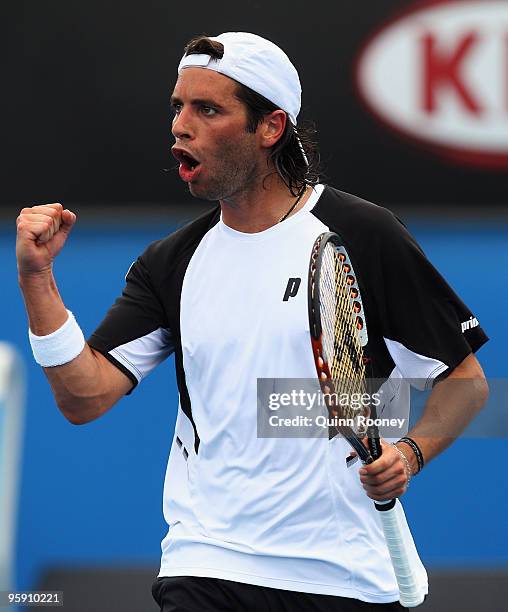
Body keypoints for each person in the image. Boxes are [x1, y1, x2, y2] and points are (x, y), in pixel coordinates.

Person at [16, 32, 488, 612]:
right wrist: (38, 280)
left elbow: (465, 381)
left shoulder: (363, 235)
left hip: (343, 578)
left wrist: (409, 454)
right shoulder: (171, 263)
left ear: (270, 128)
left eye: (207, 109)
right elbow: (82, 397)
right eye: (177, 107)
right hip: (205, 566)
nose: (180, 126)